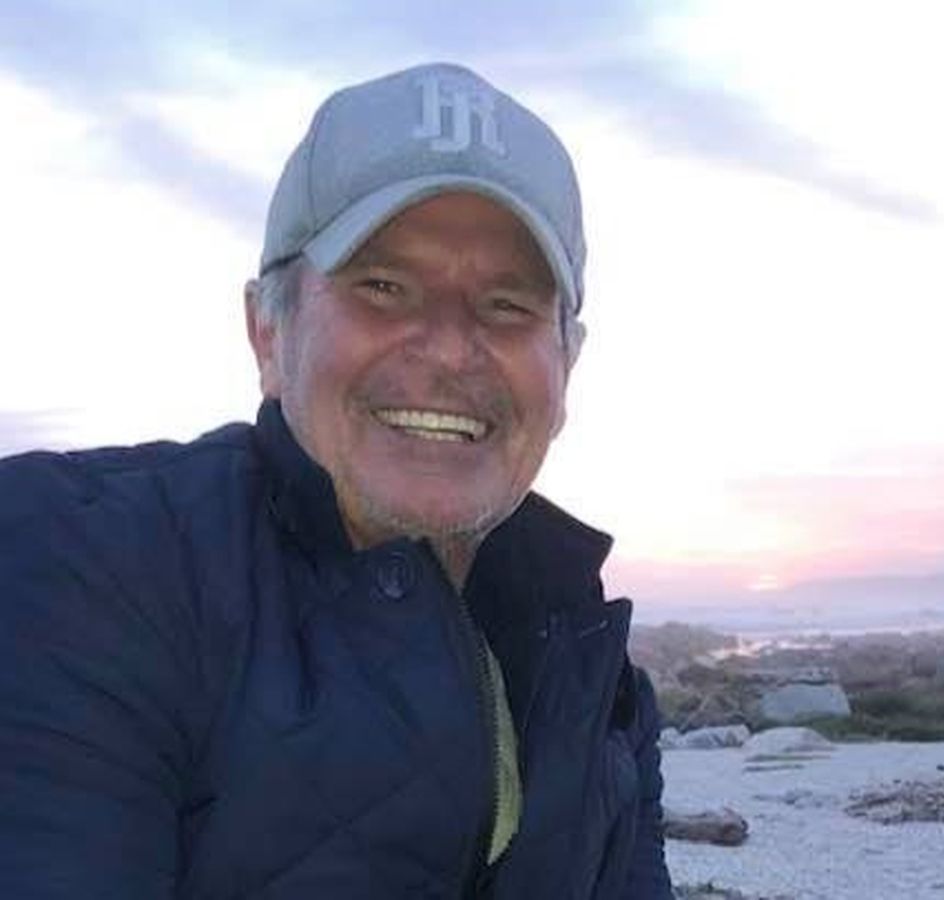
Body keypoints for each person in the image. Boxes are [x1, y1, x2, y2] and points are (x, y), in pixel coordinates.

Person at [0, 63, 672, 899]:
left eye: (508, 304)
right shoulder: (75, 566)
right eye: (383, 287)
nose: (449, 348)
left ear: (566, 362)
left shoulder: (593, 674)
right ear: (268, 332)